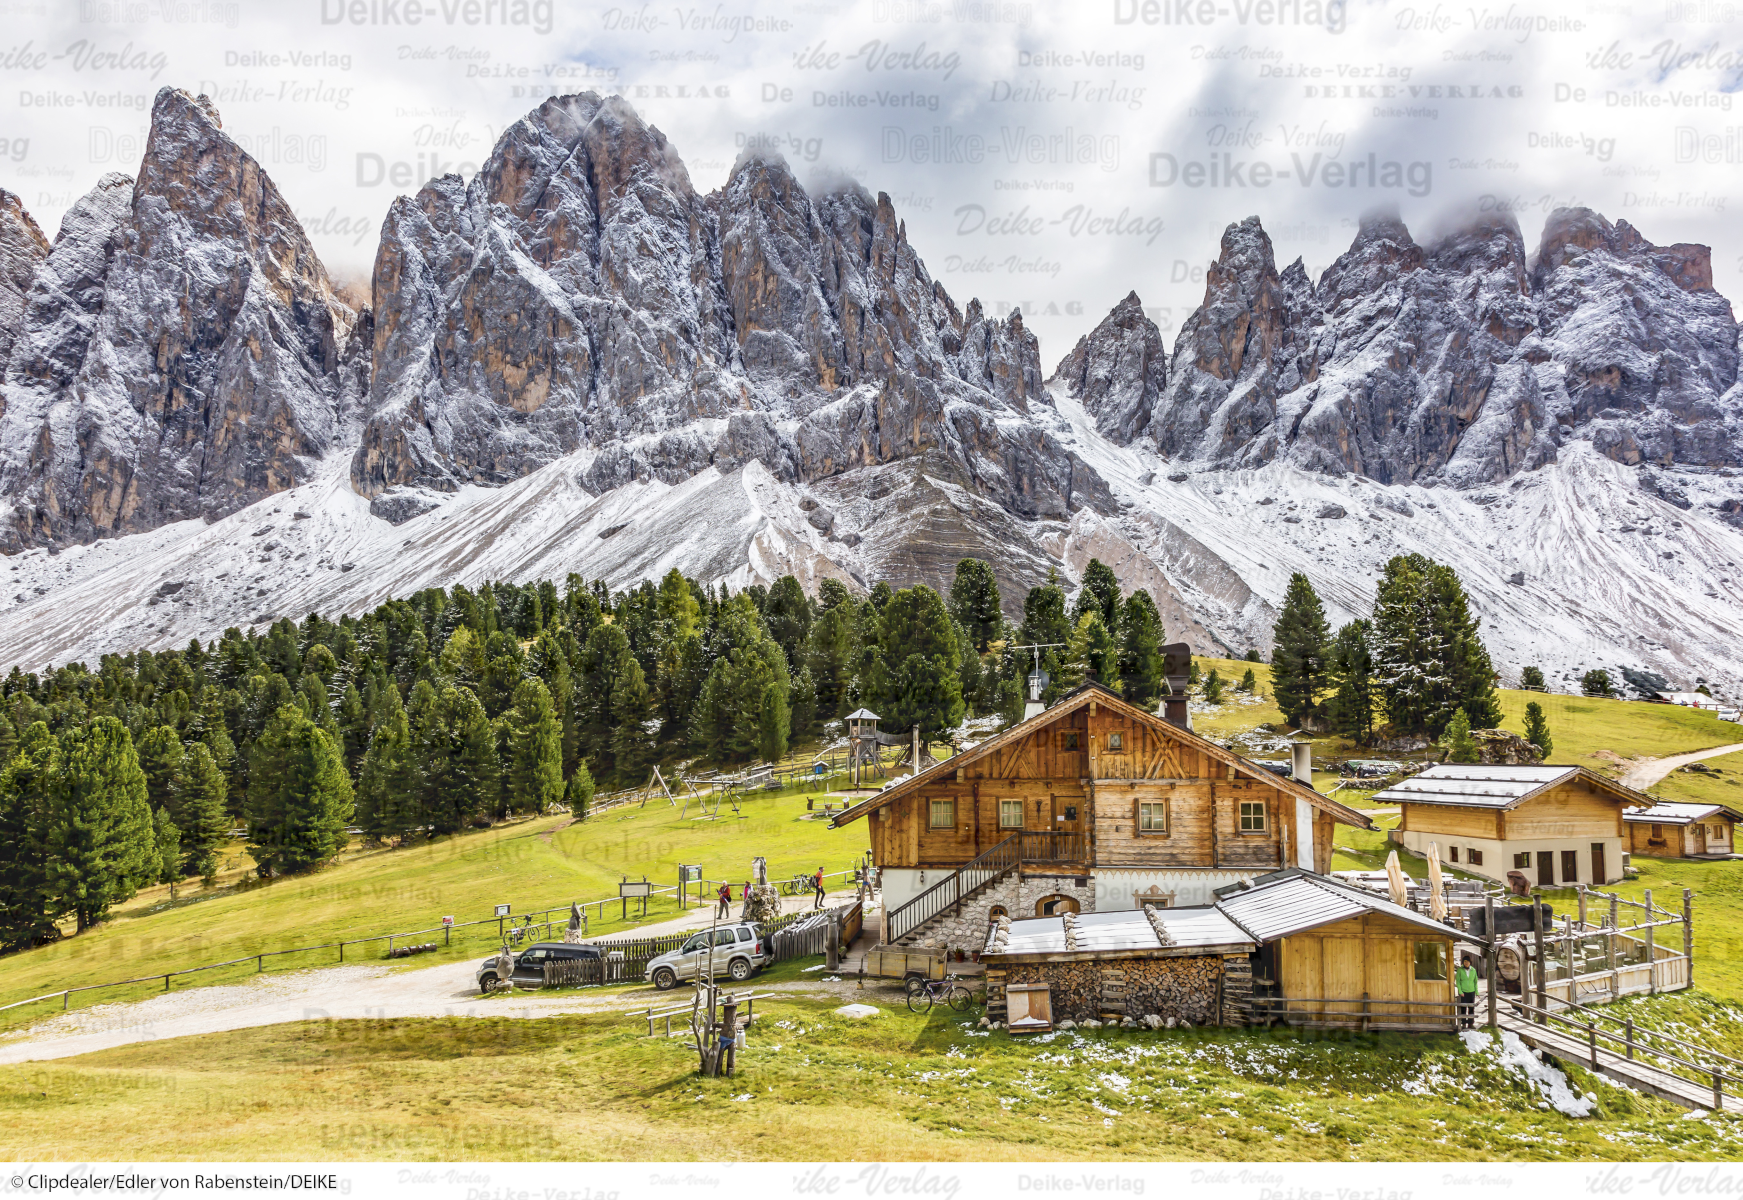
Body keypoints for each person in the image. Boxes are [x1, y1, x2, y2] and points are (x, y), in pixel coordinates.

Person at [1455, 954, 1480, 1029]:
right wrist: (1460, 991)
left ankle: (1470, 1023)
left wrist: (1477, 992)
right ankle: (1463, 1024)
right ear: (1463, 962)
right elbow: (1458, 982)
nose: (1466, 963)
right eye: (1465, 961)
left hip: (1471, 992)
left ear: (1470, 962)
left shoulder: (1473, 970)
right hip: (1463, 992)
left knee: (1471, 1008)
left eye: (1468, 961)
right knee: (1463, 1008)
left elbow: (1475, 982)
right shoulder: (1460, 970)